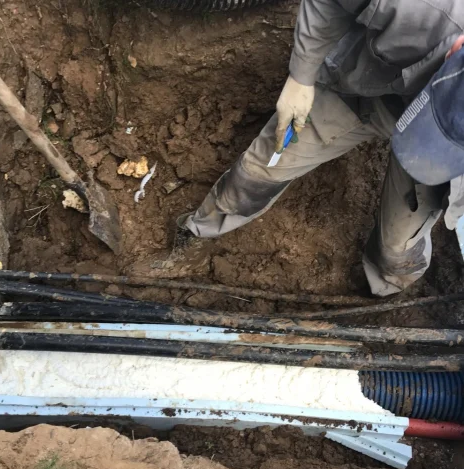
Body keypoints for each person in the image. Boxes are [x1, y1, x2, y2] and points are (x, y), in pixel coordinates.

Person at [176, 0, 464, 296]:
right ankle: (195, 236)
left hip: (447, 153)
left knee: (398, 253)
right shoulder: (418, 6)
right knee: (256, 176)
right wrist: (300, 78)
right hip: (367, 88)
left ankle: (382, 294)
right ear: (457, 48)